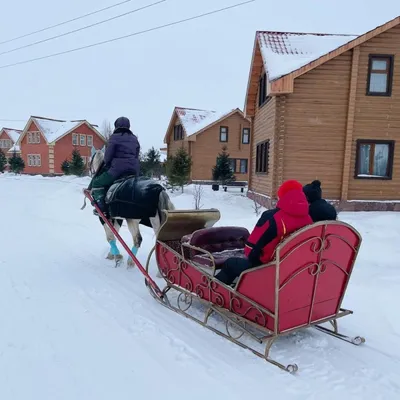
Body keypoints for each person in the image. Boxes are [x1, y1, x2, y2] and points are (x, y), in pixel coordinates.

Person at [215, 180, 313, 286]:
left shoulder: (272, 217)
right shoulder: (308, 218)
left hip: (269, 267)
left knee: (231, 263)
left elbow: (251, 247)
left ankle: (216, 290)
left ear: (283, 195)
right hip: (294, 266)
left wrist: (251, 257)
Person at [89, 116, 140, 215]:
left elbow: (107, 157)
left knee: (97, 183)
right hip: (134, 170)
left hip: (117, 170)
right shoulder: (134, 138)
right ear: (128, 126)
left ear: (116, 126)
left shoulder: (114, 137)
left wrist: (108, 164)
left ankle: (101, 208)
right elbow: (136, 154)